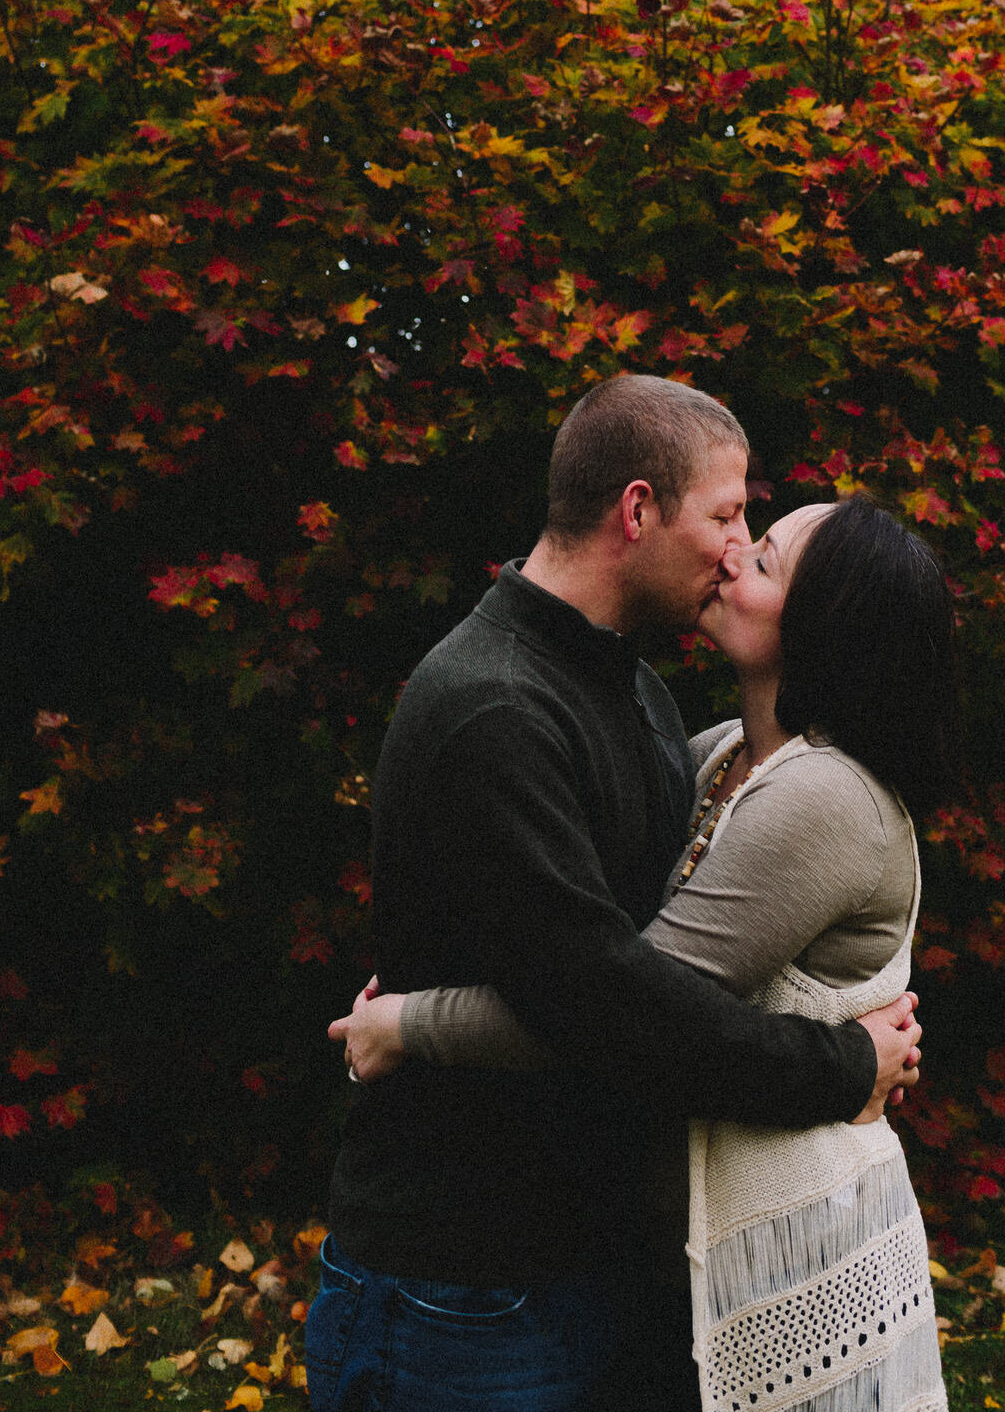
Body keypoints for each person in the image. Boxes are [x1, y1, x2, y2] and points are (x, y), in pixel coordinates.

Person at [309, 375, 924, 1412]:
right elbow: (611, 1007)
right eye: (728, 517)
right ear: (636, 512)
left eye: (753, 534)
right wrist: (841, 1061)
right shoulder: (495, 708)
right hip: (466, 1283)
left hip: (589, 1265)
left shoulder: (629, 691)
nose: (736, 547)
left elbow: (634, 976)